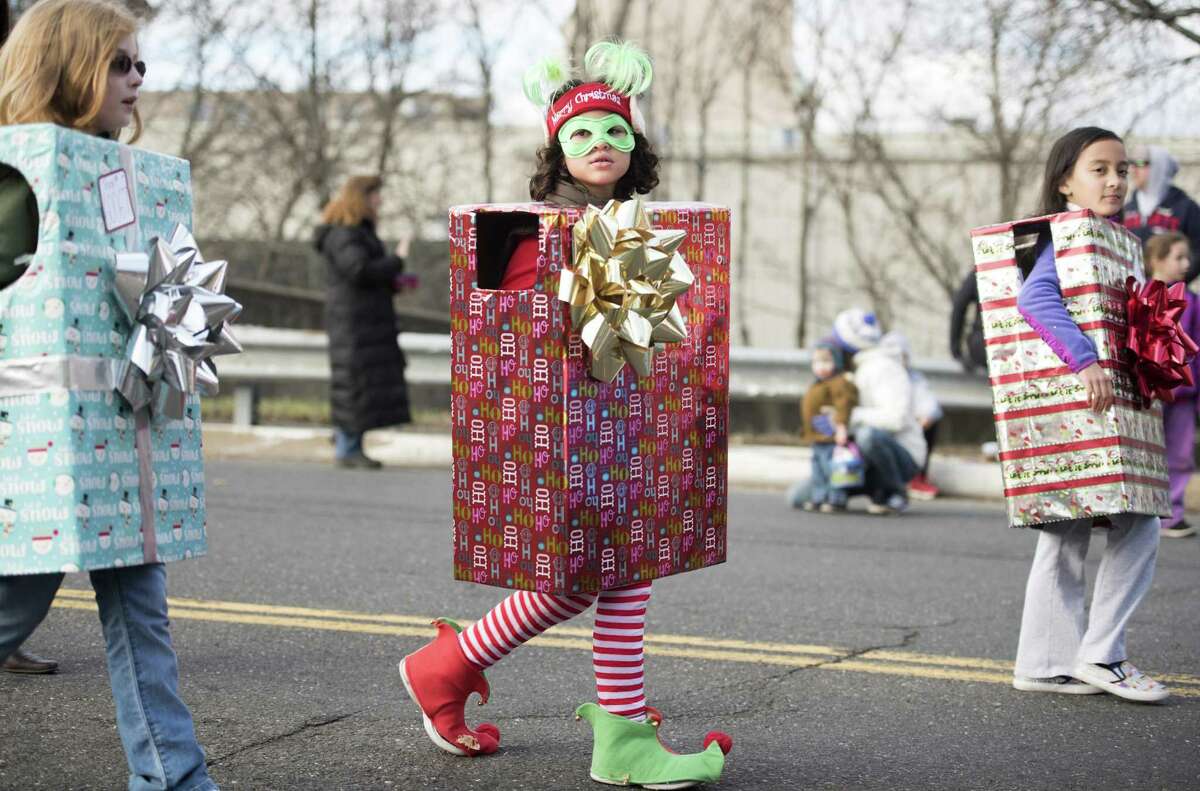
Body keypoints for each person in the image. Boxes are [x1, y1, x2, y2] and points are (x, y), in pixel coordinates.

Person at [399, 42, 730, 789]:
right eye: (580, 133)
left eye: (615, 130)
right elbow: (511, 332)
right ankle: (619, 736)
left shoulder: (647, 225)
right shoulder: (532, 227)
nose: (600, 144)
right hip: (562, 434)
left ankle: (448, 665)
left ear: (636, 143)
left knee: (601, 576)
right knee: (607, 574)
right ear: (555, 148)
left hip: (629, 429)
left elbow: (663, 338)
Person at [0, 1, 220, 788]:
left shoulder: (124, 176)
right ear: (68, 67)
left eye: (141, 64)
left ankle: (174, 778)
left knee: (142, 611)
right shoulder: (17, 178)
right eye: (119, 63)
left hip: (119, 437)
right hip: (39, 447)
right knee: (13, 609)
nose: (137, 80)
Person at [1010, 126, 1168, 702]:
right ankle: (1102, 655)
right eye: (1099, 169)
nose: (1115, 179)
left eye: (1122, 169)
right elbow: (1034, 299)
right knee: (1136, 523)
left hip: (1106, 400)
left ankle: (1046, 663)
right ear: (1065, 182)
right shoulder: (1070, 234)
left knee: (1070, 527)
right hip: (1083, 397)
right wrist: (1086, 363)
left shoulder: (1116, 238)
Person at [314, 175, 413, 469]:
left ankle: (350, 443)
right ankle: (347, 447)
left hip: (363, 320)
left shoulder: (355, 232)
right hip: (354, 323)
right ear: (362, 198)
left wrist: (395, 282)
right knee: (354, 383)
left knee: (360, 383)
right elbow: (359, 270)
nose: (379, 201)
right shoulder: (346, 233)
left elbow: (366, 275)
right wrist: (397, 260)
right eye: (375, 196)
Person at [831, 309, 926, 515]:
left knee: (868, 436)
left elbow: (896, 419)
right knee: (800, 495)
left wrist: (852, 416)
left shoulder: (883, 368)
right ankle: (864, 490)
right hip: (861, 458)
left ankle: (895, 492)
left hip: (902, 455)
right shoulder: (854, 370)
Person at [1143, 232, 1199, 539]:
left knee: (1179, 455)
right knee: (1144, 450)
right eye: (1178, 257)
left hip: (1184, 395)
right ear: (1157, 260)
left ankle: (1172, 514)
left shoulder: (1194, 301)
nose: (1186, 264)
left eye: (1187, 257)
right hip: (1148, 393)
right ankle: (1140, 511)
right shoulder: (1143, 295)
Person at [1123, 144, 1200, 284]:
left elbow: (1197, 249)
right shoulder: (1127, 208)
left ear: (1159, 166)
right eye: (1131, 164)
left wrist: (1176, 281)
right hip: (1133, 293)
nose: (1133, 169)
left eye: (1141, 163)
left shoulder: (1186, 207)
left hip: (1171, 294)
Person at [881, 332, 943, 501]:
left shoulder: (913, 378)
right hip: (882, 427)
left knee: (932, 419)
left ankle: (916, 476)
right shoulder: (876, 377)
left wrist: (925, 418)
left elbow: (927, 402)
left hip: (906, 428)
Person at [800, 339, 857, 512]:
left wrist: (841, 428)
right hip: (818, 436)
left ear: (837, 362)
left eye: (826, 361)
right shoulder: (817, 383)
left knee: (833, 468)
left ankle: (836, 498)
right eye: (817, 362)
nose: (821, 367)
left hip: (831, 435)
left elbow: (843, 406)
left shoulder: (839, 382)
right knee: (818, 469)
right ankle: (819, 496)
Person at [948, 270, 987, 372]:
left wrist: (956, 351)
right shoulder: (1024, 268)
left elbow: (958, 307)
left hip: (983, 346)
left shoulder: (981, 271)